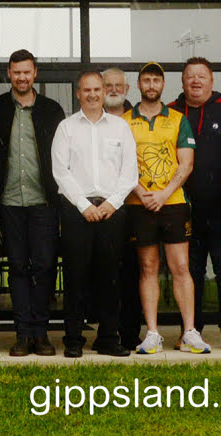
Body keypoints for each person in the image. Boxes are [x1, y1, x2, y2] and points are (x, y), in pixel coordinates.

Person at [0, 49, 65, 357]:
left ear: (35, 73)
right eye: (17, 72)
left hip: (43, 202)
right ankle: (22, 334)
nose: (22, 77)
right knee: (16, 267)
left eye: (27, 72)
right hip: (9, 202)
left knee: (43, 266)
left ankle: (41, 333)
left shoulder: (52, 110)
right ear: (9, 73)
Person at [123, 61, 211, 354]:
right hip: (138, 203)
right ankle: (152, 334)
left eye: (156, 81)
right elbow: (120, 165)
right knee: (148, 268)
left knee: (181, 267)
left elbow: (186, 164)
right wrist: (143, 192)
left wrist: (163, 194)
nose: (151, 85)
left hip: (173, 203)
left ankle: (189, 332)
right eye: (146, 80)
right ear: (139, 85)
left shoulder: (177, 119)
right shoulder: (124, 121)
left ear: (163, 85)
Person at [52, 71, 138, 358]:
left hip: (112, 210)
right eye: (86, 90)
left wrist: (111, 203)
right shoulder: (66, 128)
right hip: (77, 210)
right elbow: (60, 172)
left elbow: (130, 172)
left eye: (97, 89)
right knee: (76, 277)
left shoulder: (120, 127)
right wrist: (84, 205)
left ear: (104, 92)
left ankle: (109, 338)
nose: (92, 94)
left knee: (111, 277)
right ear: (78, 93)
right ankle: (73, 340)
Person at [168, 57, 221, 350]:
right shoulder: (172, 113)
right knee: (189, 273)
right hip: (183, 211)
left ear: (212, 82)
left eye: (202, 76)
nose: (196, 81)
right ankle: (191, 329)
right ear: (183, 82)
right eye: (190, 77)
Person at [102, 67, 142, 350]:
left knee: (131, 272)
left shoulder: (138, 120)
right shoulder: (89, 120)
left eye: (119, 86)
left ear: (127, 90)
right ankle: (105, 333)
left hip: (134, 207)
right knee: (102, 274)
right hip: (101, 209)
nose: (113, 90)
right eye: (108, 85)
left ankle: (130, 332)